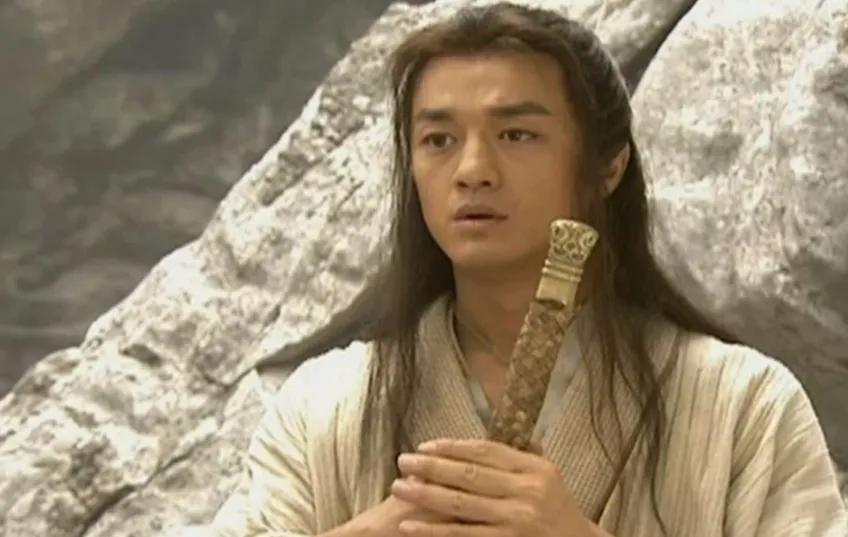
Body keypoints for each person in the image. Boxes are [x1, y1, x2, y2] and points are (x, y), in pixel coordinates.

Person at [209, 3, 848, 536]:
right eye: (438, 140)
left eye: (516, 135)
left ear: (609, 166)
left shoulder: (746, 406)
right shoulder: (324, 408)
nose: (472, 170)